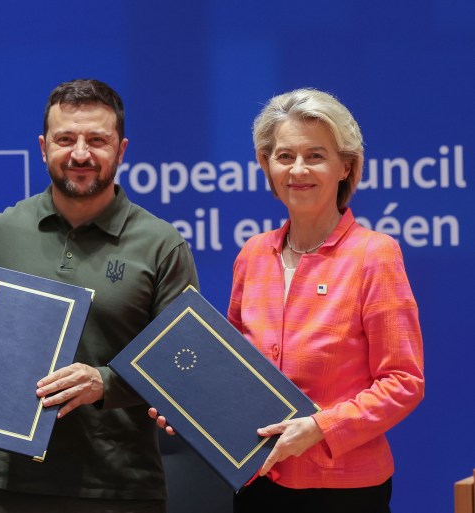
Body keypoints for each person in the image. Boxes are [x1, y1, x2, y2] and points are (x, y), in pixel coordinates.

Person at [151, 88, 424, 513]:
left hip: (345, 490)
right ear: (266, 165)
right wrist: (190, 409)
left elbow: (403, 383)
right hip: (256, 480)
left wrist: (319, 426)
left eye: (315, 155)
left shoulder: (375, 254)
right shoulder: (253, 255)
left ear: (345, 167)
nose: (298, 169)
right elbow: (233, 372)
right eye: (283, 156)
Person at [0, 78, 199, 513]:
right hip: (13, 484)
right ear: (44, 147)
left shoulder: (161, 245)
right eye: (66, 139)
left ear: (121, 150)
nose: (80, 154)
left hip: (123, 487)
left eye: (97, 140)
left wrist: (105, 382)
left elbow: (187, 362)